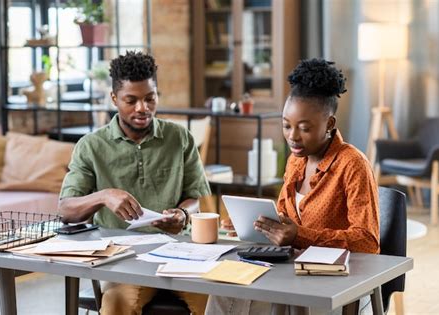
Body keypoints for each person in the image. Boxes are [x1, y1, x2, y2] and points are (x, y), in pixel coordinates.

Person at [206, 58, 379, 315]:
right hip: (289, 273)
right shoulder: (296, 161)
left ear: (329, 124)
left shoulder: (352, 164)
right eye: (286, 125)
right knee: (223, 292)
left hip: (336, 284)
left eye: (304, 128)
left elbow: (367, 242)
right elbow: (286, 219)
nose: (292, 137)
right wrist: (256, 225)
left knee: (259, 302)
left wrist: (299, 235)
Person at [59, 51, 211, 315]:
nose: (143, 108)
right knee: (118, 304)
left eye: (150, 98)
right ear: (114, 99)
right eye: (131, 100)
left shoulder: (179, 138)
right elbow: (65, 209)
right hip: (122, 256)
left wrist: (183, 213)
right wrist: (103, 196)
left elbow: (195, 197)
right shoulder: (91, 146)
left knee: (218, 299)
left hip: (180, 251)